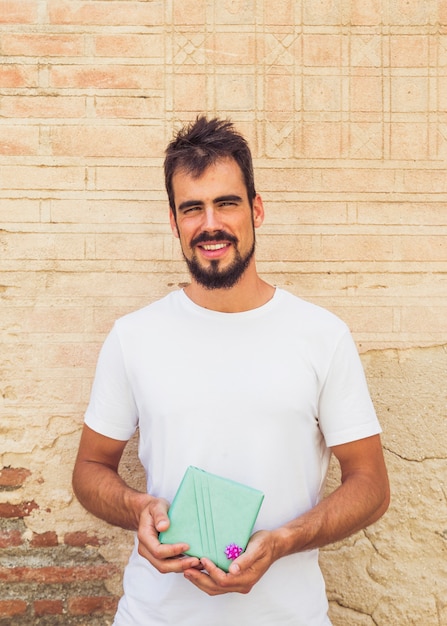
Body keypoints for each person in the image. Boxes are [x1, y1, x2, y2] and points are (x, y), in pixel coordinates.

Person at [72, 116, 390, 626]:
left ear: (256, 210)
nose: (210, 224)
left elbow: (371, 484)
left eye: (227, 203)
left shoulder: (321, 335)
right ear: (174, 222)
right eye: (192, 208)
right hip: (155, 616)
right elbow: (90, 470)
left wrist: (286, 540)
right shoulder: (134, 337)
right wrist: (137, 508)